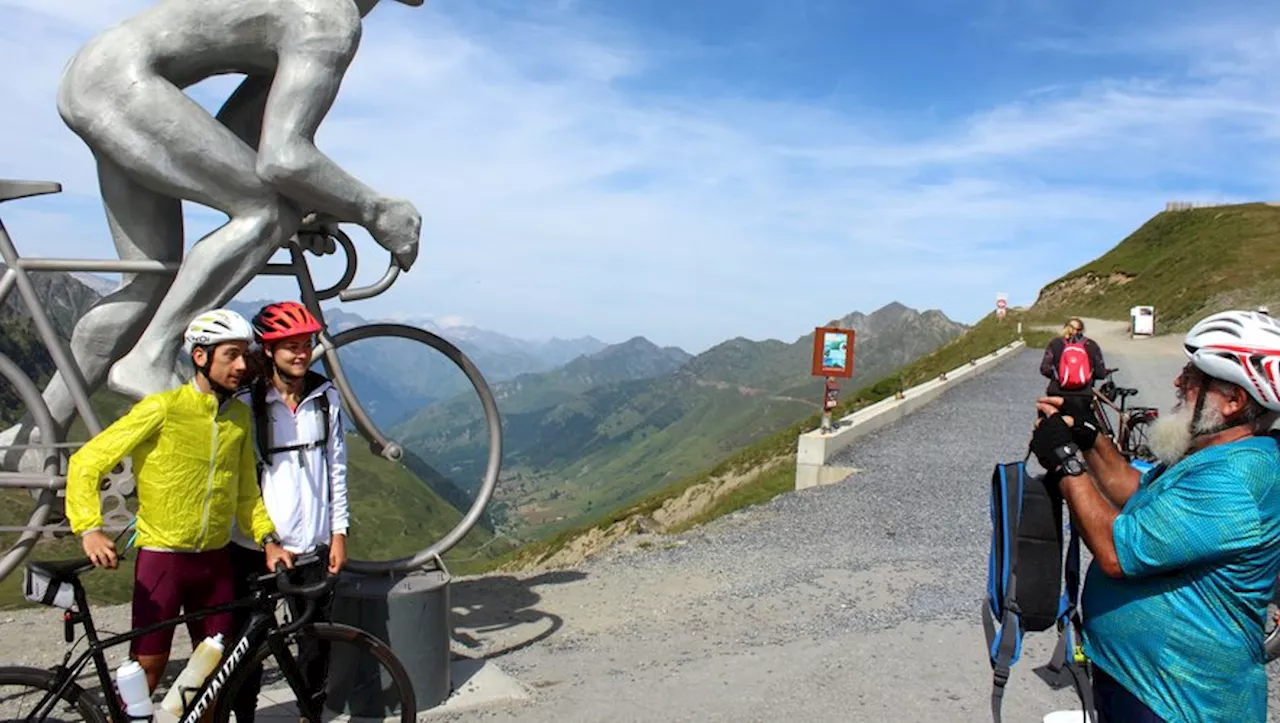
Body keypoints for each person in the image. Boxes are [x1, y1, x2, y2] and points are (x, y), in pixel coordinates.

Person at [11, 0, 424, 458]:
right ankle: (152, 357)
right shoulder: (328, 16)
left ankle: (35, 437)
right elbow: (284, 159)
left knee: (151, 279)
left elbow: (235, 141)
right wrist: (376, 209)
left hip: (102, 74)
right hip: (120, 84)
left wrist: (318, 205)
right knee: (266, 214)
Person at [1030, 309, 1280, 722]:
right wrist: (1090, 438)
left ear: (1235, 401)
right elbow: (1133, 489)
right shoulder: (1216, 453)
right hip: (1148, 684)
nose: (1178, 382)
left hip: (1179, 699)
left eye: (1195, 377)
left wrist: (1064, 464)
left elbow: (1114, 551)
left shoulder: (1235, 479)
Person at [65, 309, 294, 694]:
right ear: (200, 357)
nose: (241, 365)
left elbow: (244, 493)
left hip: (216, 561)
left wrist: (268, 539)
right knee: (148, 675)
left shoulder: (237, 416)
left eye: (244, 354)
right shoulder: (163, 408)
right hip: (163, 560)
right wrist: (90, 528)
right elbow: (87, 461)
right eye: (230, 355)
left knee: (212, 678)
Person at [227, 301, 350, 721]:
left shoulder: (325, 396)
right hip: (255, 547)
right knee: (246, 649)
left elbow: (337, 468)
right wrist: (265, 538)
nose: (301, 353)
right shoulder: (246, 403)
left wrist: (338, 533)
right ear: (269, 350)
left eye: (307, 344)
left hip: (313, 543)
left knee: (316, 645)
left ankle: (311, 715)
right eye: (290, 346)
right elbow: (240, 481)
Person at [1039, 317, 1107, 425]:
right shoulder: (1092, 345)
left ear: (1065, 328)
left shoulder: (1055, 343)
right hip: (1083, 395)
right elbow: (1100, 373)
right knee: (1087, 428)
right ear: (1082, 330)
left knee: (1051, 425)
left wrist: (1059, 377)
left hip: (1057, 392)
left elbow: (1045, 369)